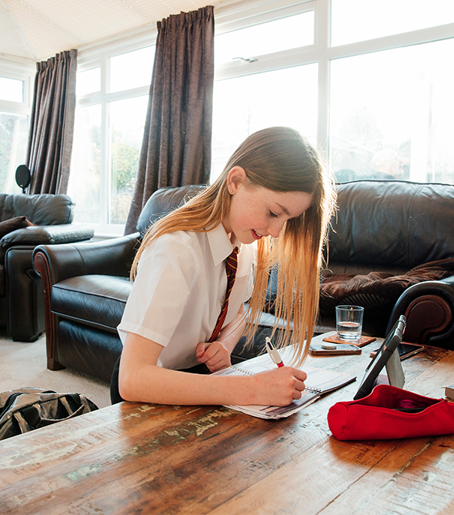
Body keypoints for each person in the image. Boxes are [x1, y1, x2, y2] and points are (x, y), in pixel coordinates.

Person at [113, 126, 335, 408]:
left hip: (197, 376)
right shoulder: (177, 248)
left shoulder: (242, 244)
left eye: (287, 220)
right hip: (152, 390)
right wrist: (251, 389)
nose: (277, 232)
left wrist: (225, 344)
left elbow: (238, 309)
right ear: (235, 181)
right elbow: (132, 379)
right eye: (273, 213)